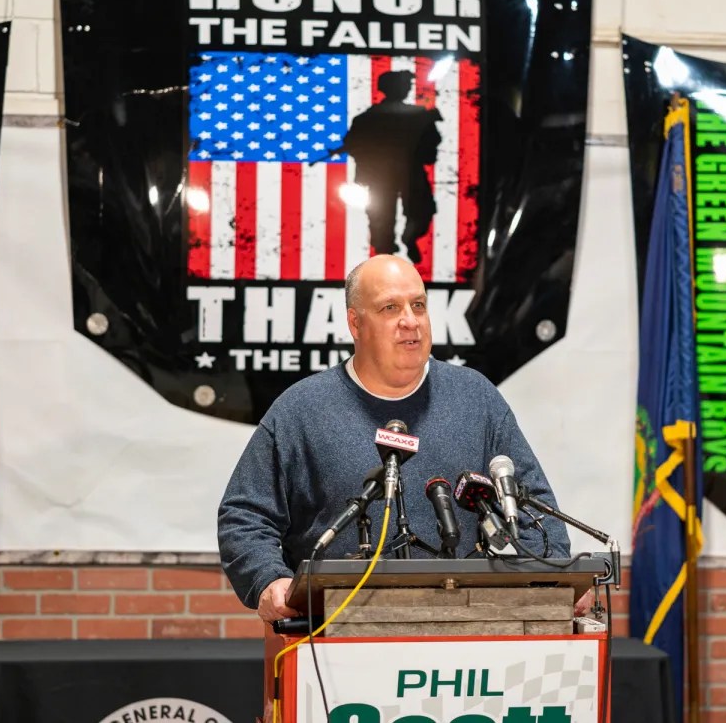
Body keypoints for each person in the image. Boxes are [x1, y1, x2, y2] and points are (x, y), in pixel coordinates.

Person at [218, 254, 574, 624]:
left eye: (418, 305)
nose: (411, 321)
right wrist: (269, 579)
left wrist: (551, 584)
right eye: (390, 307)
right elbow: (244, 515)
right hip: (334, 634)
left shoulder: (475, 398)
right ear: (356, 323)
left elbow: (533, 506)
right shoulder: (302, 410)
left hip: (468, 631)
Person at [337, 70, 441, 263]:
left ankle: (408, 239)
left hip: (408, 172)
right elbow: (355, 144)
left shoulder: (416, 115)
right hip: (381, 175)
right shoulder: (368, 118)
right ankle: (385, 249)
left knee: (420, 210)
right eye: (404, 85)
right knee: (381, 214)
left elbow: (432, 140)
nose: (408, 88)